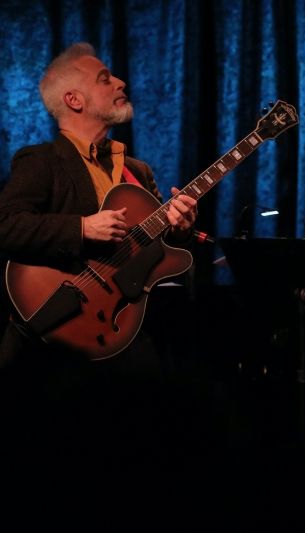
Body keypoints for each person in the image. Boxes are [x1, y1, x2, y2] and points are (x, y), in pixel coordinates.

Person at [0, 42, 197, 520]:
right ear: (74, 100)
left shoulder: (138, 171)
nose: (120, 82)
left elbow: (156, 255)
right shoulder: (41, 160)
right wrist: (79, 228)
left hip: (124, 330)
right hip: (54, 337)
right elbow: (5, 225)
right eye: (105, 77)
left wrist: (176, 226)